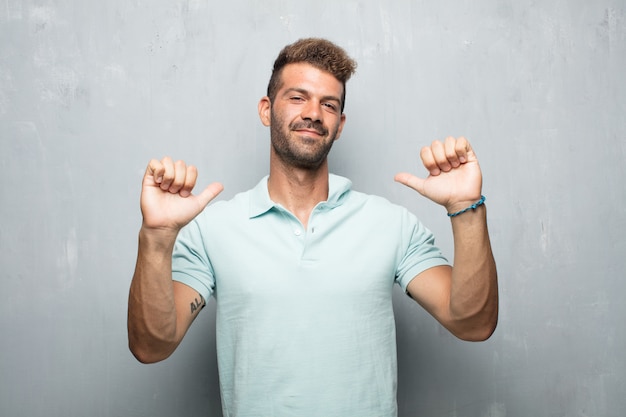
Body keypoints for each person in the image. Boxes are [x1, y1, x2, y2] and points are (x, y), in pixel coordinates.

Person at [127, 38, 498, 417]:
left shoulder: (391, 225)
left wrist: (466, 207)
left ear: (339, 126)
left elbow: (473, 323)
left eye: (329, 104)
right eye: (297, 97)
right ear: (266, 110)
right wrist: (156, 237)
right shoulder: (213, 230)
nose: (314, 114)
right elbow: (151, 346)